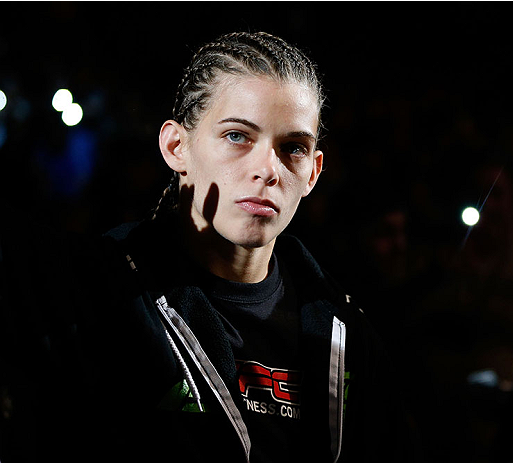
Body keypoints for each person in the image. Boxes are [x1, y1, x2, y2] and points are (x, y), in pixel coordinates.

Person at [0, 31, 410, 463]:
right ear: (177, 147)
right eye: (238, 136)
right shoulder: (92, 295)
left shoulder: (347, 336)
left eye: (293, 148)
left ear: (313, 172)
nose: (267, 169)